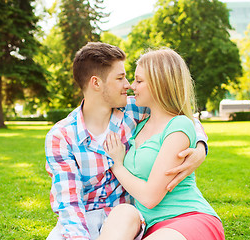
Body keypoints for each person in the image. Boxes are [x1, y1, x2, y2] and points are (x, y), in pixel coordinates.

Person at [45, 42, 209, 240]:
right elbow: (69, 205)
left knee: (124, 215)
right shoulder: (61, 137)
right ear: (96, 83)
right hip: (81, 222)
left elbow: (181, 118)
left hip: (126, 221)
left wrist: (200, 148)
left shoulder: (134, 109)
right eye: (120, 78)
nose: (129, 85)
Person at [100, 48, 224, 240]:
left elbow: (150, 198)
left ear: (160, 84)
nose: (132, 86)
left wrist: (117, 165)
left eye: (139, 81)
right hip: (148, 226)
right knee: (121, 212)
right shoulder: (138, 124)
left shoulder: (179, 125)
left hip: (187, 218)